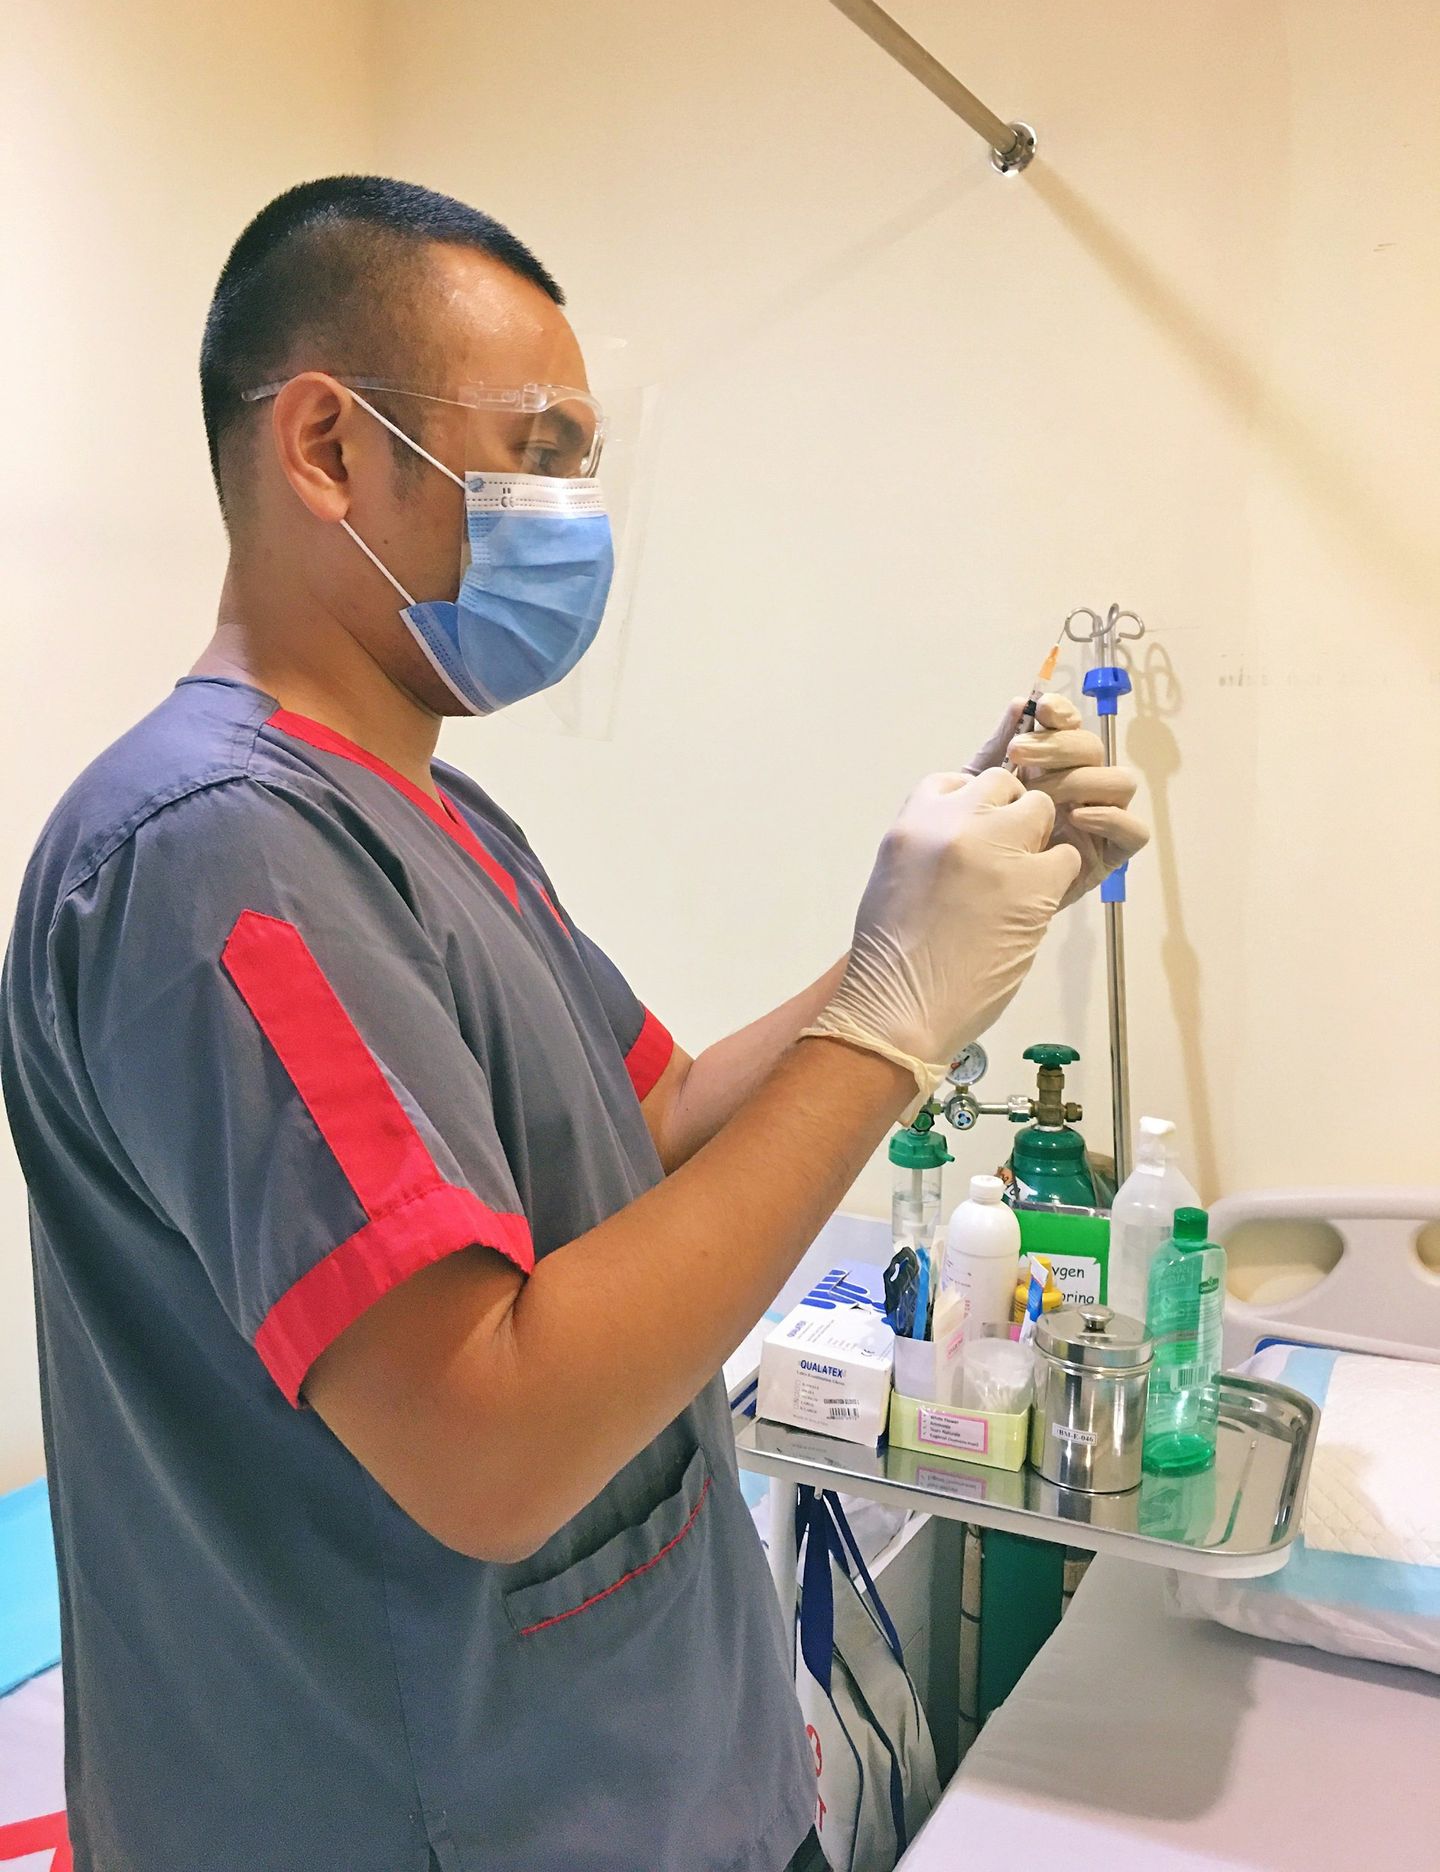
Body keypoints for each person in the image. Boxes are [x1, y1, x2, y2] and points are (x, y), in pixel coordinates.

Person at [0, 176, 1147, 1872]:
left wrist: (942, 921)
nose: (570, 512)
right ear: (325, 446)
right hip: (437, 1813)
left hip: (642, 1781)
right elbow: (491, 1443)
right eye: (534, 450)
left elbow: (662, 1120)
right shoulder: (215, 856)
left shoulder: (428, 813)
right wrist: (891, 1033)